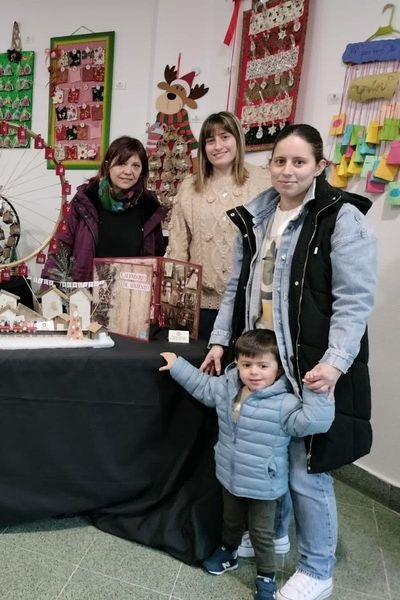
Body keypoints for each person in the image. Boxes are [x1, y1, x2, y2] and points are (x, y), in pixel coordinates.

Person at [201, 124, 378, 600]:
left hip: (312, 366)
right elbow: (236, 288)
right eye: (280, 161)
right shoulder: (255, 217)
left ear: (319, 167)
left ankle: (318, 571)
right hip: (263, 363)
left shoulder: (342, 218)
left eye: (299, 162)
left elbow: (354, 301)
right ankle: (274, 539)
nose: (287, 170)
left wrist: (336, 363)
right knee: (269, 458)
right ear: (270, 164)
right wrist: (221, 342)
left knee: (306, 467)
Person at [160, 329, 334, 600]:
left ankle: (266, 575)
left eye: (263, 366)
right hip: (230, 477)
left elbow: (311, 423)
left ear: (277, 369)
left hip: (265, 486)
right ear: (238, 363)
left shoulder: (285, 403)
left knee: (262, 535)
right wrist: (178, 366)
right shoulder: (228, 387)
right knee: (230, 522)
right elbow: (203, 387)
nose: (254, 372)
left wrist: (317, 394)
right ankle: (228, 553)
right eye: (247, 365)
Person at [166, 111, 271, 339]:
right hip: (202, 305)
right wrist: (176, 301)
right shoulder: (189, 187)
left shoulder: (263, 181)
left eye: (225, 137)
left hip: (248, 303)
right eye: (210, 140)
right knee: (200, 370)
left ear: (238, 139)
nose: (218, 146)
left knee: (246, 372)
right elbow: (178, 247)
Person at [41, 136, 167, 282]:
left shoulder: (149, 207)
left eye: (136, 166)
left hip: (133, 297)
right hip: (86, 295)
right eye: (121, 164)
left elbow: (157, 256)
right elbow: (60, 248)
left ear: (142, 171)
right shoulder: (85, 200)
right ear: (107, 165)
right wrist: (50, 292)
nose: (128, 171)